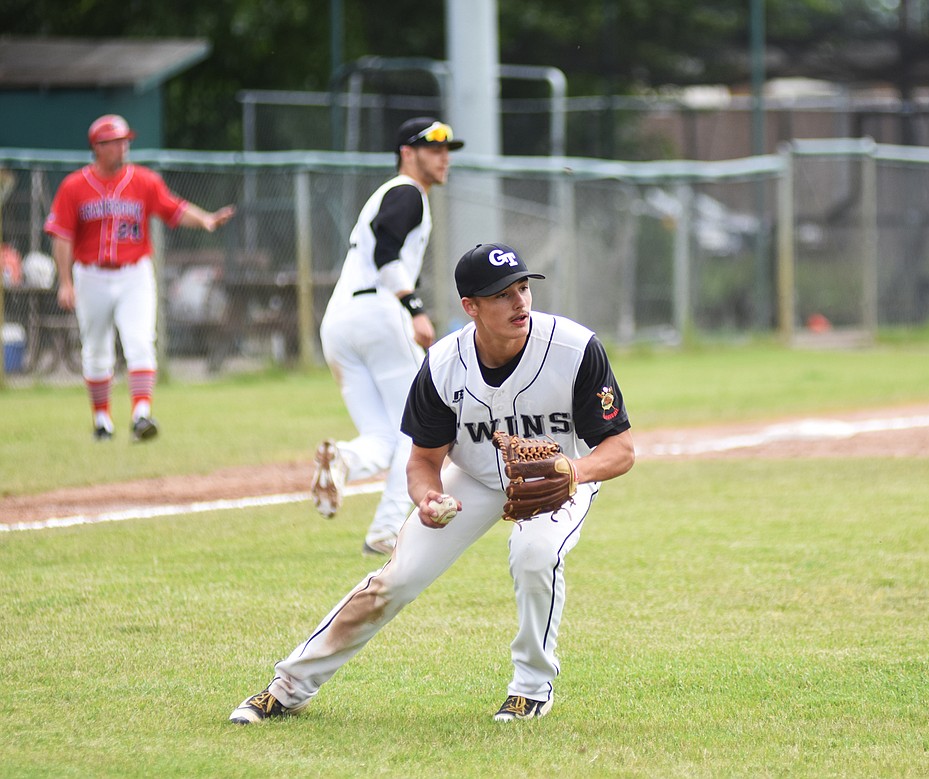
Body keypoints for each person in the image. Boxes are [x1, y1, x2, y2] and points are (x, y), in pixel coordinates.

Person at [231, 242, 635, 724]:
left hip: (559, 477)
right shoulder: (445, 365)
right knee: (393, 581)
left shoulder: (572, 348)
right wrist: (427, 497)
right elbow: (423, 460)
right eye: (503, 294)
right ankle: (287, 687)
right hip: (475, 478)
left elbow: (621, 450)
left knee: (534, 554)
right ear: (471, 307)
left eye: (523, 288)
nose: (520, 302)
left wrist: (573, 472)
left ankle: (531, 688)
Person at [310, 116, 464, 557]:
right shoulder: (407, 192)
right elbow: (385, 247)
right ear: (407, 153)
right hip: (380, 312)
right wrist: (412, 306)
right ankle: (385, 531)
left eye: (447, 150)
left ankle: (343, 459)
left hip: (339, 320)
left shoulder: (388, 195)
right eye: (433, 149)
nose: (444, 157)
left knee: (382, 433)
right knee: (421, 430)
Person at [44, 114, 235, 442]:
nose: (124, 147)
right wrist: (65, 281)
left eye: (125, 140)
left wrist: (205, 220)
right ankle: (102, 421)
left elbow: (173, 208)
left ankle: (141, 415)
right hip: (90, 274)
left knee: (140, 342)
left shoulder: (143, 180)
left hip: (134, 273)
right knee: (96, 350)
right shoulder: (74, 186)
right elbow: (62, 236)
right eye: (116, 142)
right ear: (98, 147)